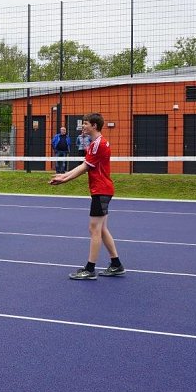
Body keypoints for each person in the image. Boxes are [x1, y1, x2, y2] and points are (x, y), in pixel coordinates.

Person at [50, 113, 125, 280]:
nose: (82, 126)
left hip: (101, 190)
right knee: (102, 229)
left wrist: (64, 179)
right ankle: (116, 264)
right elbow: (84, 166)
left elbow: (84, 167)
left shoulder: (99, 144)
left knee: (94, 229)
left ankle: (90, 269)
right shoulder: (94, 144)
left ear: (94, 126)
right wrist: (63, 176)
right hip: (101, 190)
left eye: (85, 124)